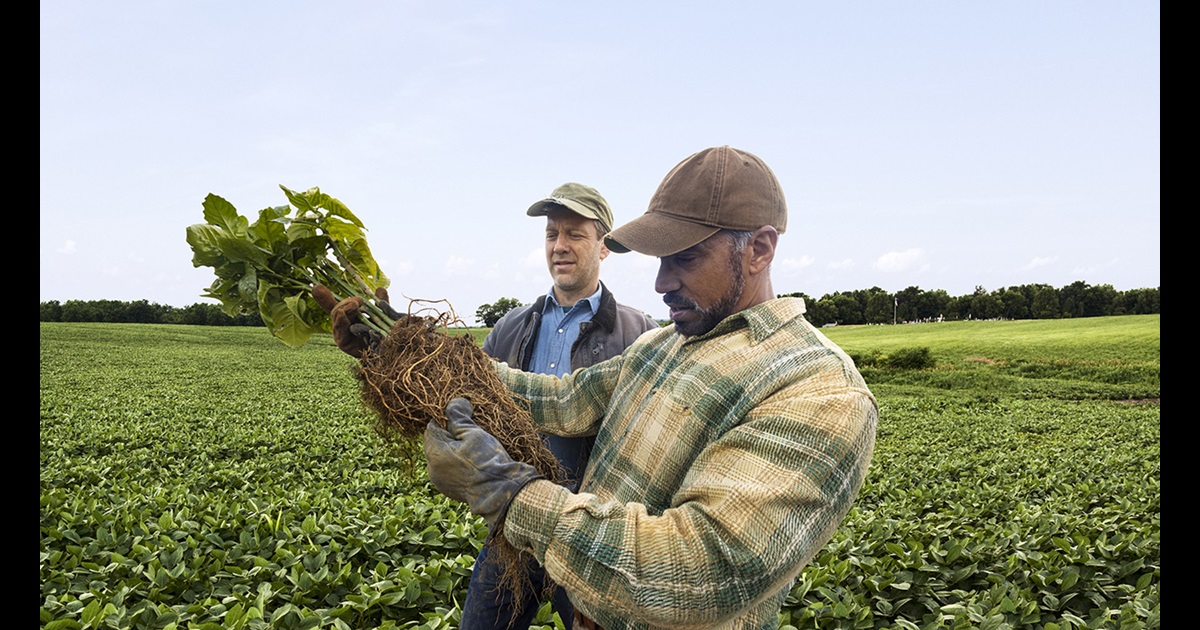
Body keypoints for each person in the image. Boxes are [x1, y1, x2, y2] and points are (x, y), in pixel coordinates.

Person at [323, 146, 878, 629]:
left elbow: (701, 570)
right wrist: (397, 343)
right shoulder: (663, 346)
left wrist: (508, 491)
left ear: (758, 249)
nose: (662, 282)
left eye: (685, 258)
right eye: (662, 259)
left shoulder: (819, 390)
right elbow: (559, 400)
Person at [464, 183, 659, 628]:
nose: (560, 246)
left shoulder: (638, 333)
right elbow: (468, 397)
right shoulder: (513, 325)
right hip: (514, 525)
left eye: (575, 234)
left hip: (591, 535)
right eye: (552, 234)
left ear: (604, 245)